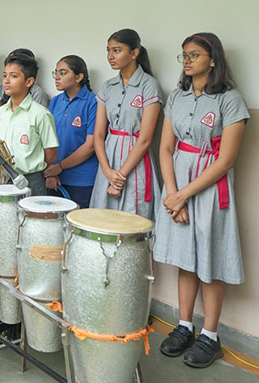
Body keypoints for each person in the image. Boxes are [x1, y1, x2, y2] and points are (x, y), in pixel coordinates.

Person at [154, 33, 249, 368]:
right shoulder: (176, 96)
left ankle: (210, 335)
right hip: (177, 180)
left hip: (209, 186)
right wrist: (171, 192)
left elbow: (225, 160)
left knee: (210, 262)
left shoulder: (230, 99)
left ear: (213, 59)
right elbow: (166, 148)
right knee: (185, 258)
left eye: (194, 55)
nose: (188, 61)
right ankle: (184, 326)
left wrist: (183, 195)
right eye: (184, 56)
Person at [90, 28, 162, 219]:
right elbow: (98, 134)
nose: (110, 56)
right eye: (108, 50)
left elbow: (146, 138)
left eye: (117, 50)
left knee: (133, 219)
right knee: (103, 219)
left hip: (134, 160)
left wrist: (119, 177)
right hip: (108, 157)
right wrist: (107, 170)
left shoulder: (149, 85)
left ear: (134, 53)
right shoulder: (107, 87)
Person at [0, 54, 58, 196]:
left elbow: (51, 154)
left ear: (29, 81)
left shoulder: (40, 114)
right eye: (5, 76)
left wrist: (33, 166)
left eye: (14, 76)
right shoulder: (1, 112)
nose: (6, 81)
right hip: (5, 179)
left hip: (32, 179)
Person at [44, 55, 98, 208]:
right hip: (55, 176)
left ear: (79, 77)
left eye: (63, 73)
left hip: (82, 180)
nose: (57, 78)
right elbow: (46, 139)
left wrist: (59, 167)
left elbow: (90, 145)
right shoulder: (55, 101)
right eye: (55, 73)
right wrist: (51, 171)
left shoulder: (93, 102)